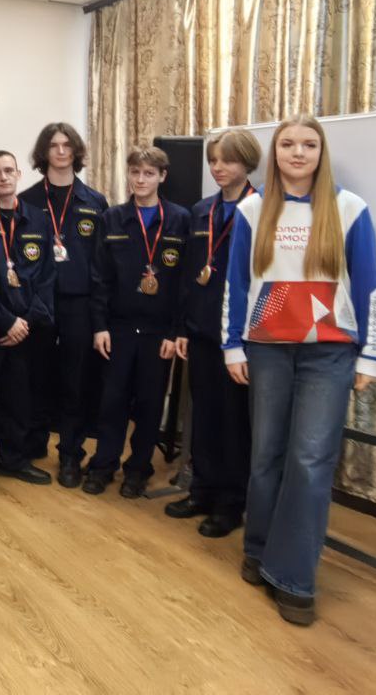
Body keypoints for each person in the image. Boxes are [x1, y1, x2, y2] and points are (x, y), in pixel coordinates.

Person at [224, 114, 376, 626]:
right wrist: (232, 347)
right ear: (275, 153)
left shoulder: (350, 208)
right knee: (266, 455)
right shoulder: (252, 210)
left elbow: (369, 283)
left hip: (329, 354)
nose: (298, 152)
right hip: (267, 350)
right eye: (288, 144)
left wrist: (373, 354)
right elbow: (236, 284)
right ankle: (258, 549)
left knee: (311, 461)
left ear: (321, 152)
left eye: (309, 144)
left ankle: (294, 577)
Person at [167, 129, 261, 539]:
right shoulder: (201, 210)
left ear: (248, 163)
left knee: (234, 422)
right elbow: (189, 274)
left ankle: (230, 504)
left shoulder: (261, 209)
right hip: (201, 330)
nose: (219, 168)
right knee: (202, 416)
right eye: (214, 160)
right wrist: (182, 326)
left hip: (240, 338)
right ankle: (201, 491)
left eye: (228, 160)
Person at [85, 144, 190, 499]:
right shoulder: (111, 218)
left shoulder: (180, 220)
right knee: (112, 400)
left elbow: (184, 284)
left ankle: (138, 469)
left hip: (159, 333)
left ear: (162, 176)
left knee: (149, 403)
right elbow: (100, 278)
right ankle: (103, 465)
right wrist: (99, 326)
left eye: (148, 173)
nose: (140, 180)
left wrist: (176, 331)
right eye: (135, 172)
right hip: (118, 328)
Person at [18, 123, 108, 488]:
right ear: (44, 152)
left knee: (75, 380)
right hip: (37, 303)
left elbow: (101, 264)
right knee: (35, 376)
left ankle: (71, 453)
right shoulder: (26, 200)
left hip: (78, 304)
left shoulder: (95, 202)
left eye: (66, 145)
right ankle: (33, 441)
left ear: (76, 151)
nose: (60, 151)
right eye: (53, 145)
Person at [0, 150, 56, 484]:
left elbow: (47, 276)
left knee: (17, 398)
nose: (3, 177)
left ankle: (10, 460)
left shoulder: (38, 218)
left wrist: (27, 321)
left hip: (25, 327)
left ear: (19, 174)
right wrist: (4, 320)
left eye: (8, 170)